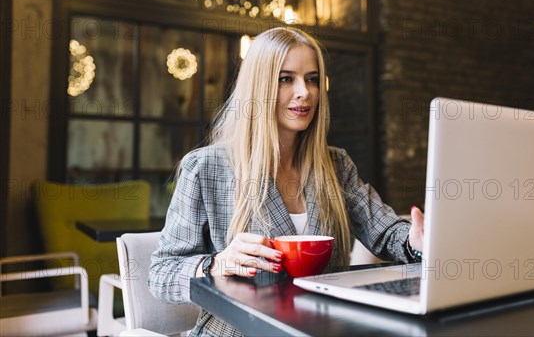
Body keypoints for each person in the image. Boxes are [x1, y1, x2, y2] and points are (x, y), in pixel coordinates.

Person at [148, 27, 425, 336]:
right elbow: (161, 275)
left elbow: (387, 232)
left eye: (311, 79)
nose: (304, 92)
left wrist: (416, 241)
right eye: (285, 79)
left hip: (321, 328)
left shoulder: (336, 165)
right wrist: (217, 263)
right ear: (259, 86)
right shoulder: (205, 167)